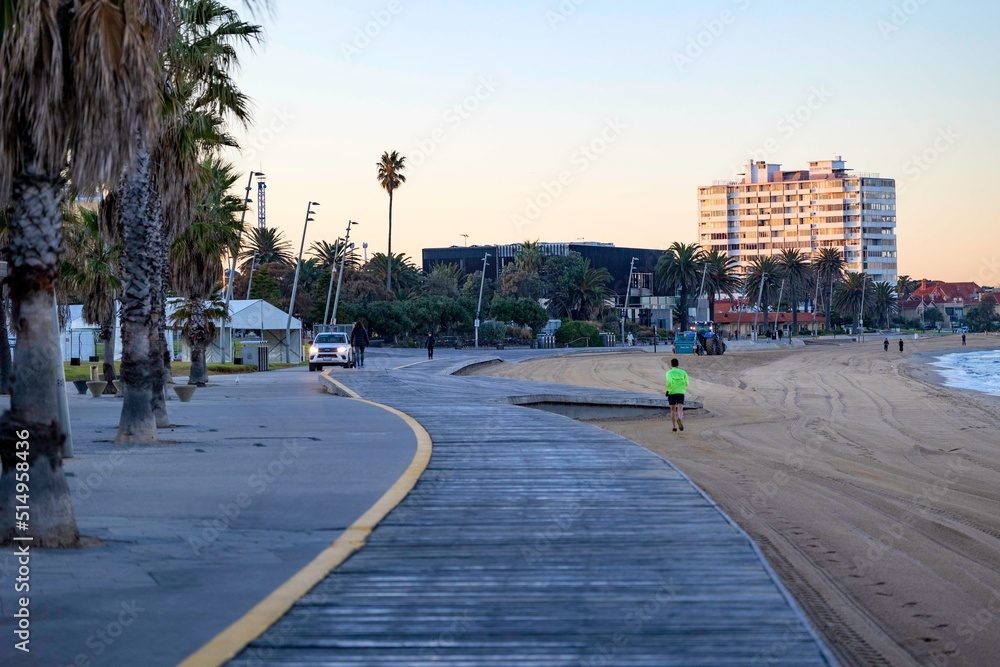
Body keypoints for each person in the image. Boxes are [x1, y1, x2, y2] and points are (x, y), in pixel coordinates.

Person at [665, 358, 690, 433]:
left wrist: (668, 390)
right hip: (680, 392)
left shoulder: (669, 373)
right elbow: (687, 383)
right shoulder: (683, 372)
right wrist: (682, 386)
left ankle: (674, 427)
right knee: (680, 407)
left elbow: (669, 381)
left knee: (672, 410)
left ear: (671, 364)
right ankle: (680, 418)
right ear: (678, 364)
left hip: (672, 392)